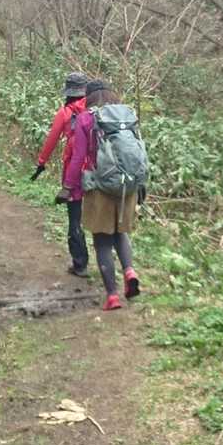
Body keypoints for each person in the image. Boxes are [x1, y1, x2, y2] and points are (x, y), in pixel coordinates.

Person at [71, 79, 142, 311]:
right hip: (127, 186)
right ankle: (129, 271)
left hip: (100, 187)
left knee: (102, 240)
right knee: (121, 232)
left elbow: (78, 157)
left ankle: (112, 296)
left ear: (89, 97)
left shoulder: (85, 118)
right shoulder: (126, 115)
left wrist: (69, 185)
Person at [30, 69, 89, 275]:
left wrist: (41, 162)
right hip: (98, 169)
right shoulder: (95, 110)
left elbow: (51, 140)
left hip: (74, 171)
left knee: (75, 218)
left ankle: (80, 263)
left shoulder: (65, 113)